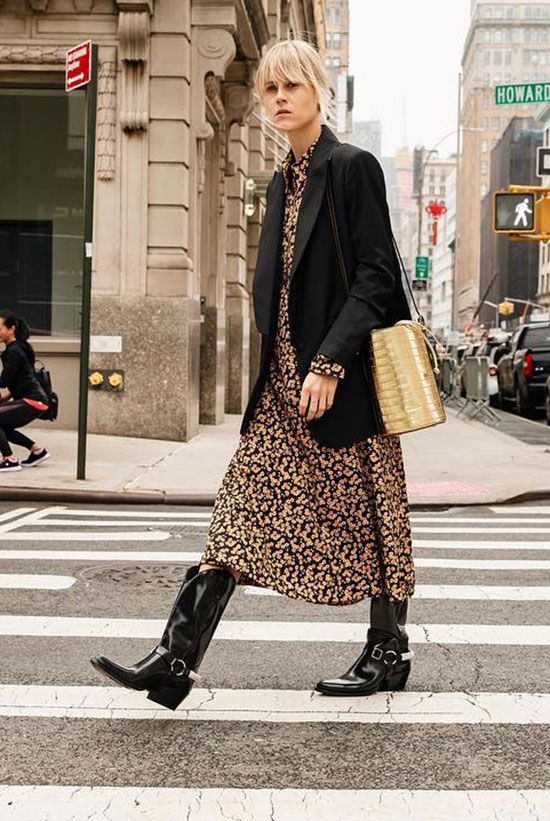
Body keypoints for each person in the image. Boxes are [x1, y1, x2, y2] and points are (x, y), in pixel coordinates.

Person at [90, 39, 415, 709]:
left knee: (374, 513)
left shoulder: (353, 169)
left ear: (319, 90)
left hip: (340, 378)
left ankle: (388, 649)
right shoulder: (281, 180)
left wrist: (329, 362)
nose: (279, 98)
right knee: (236, 516)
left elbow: (378, 275)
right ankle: (175, 658)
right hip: (280, 387)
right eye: (270, 89)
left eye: (293, 85)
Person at [0, 310, 51, 471]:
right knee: (4, 427)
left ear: (11, 329)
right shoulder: (17, 348)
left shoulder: (13, 351)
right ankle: (37, 451)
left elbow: (4, 381)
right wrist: (6, 398)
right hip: (36, 400)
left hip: (33, 400)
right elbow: (19, 379)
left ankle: (9, 459)